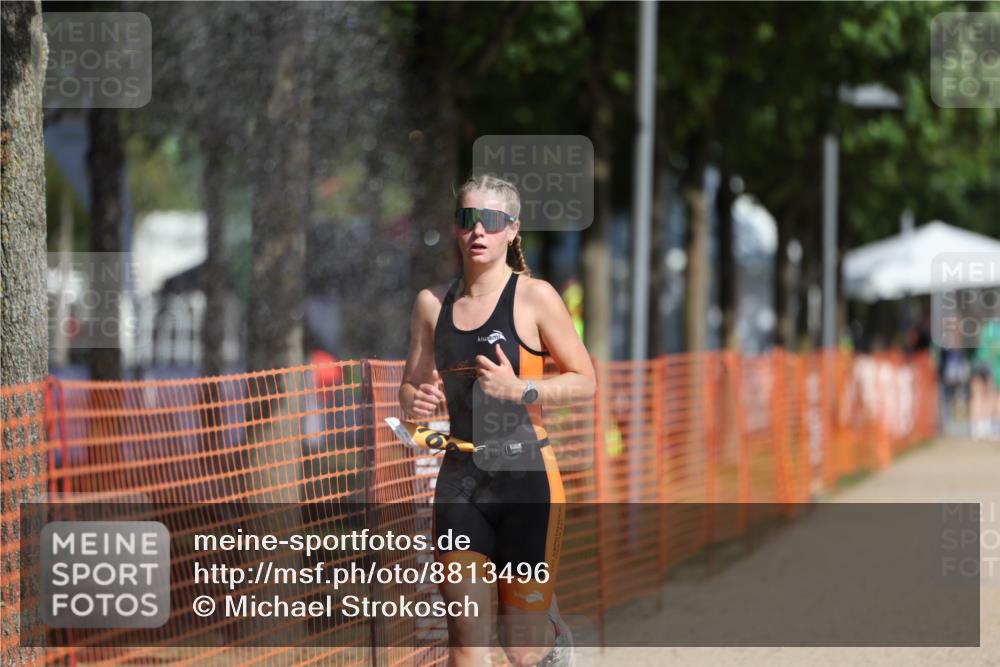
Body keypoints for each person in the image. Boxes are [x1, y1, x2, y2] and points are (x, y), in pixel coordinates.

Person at [399, 174, 596, 666]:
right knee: (466, 643)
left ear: (513, 230)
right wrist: (415, 401)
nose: (478, 231)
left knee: (521, 648)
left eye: (491, 221)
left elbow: (585, 380)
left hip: (527, 478)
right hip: (461, 481)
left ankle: (553, 647)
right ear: (455, 228)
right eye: (468, 220)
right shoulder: (432, 305)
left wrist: (521, 388)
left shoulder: (535, 298)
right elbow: (410, 385)